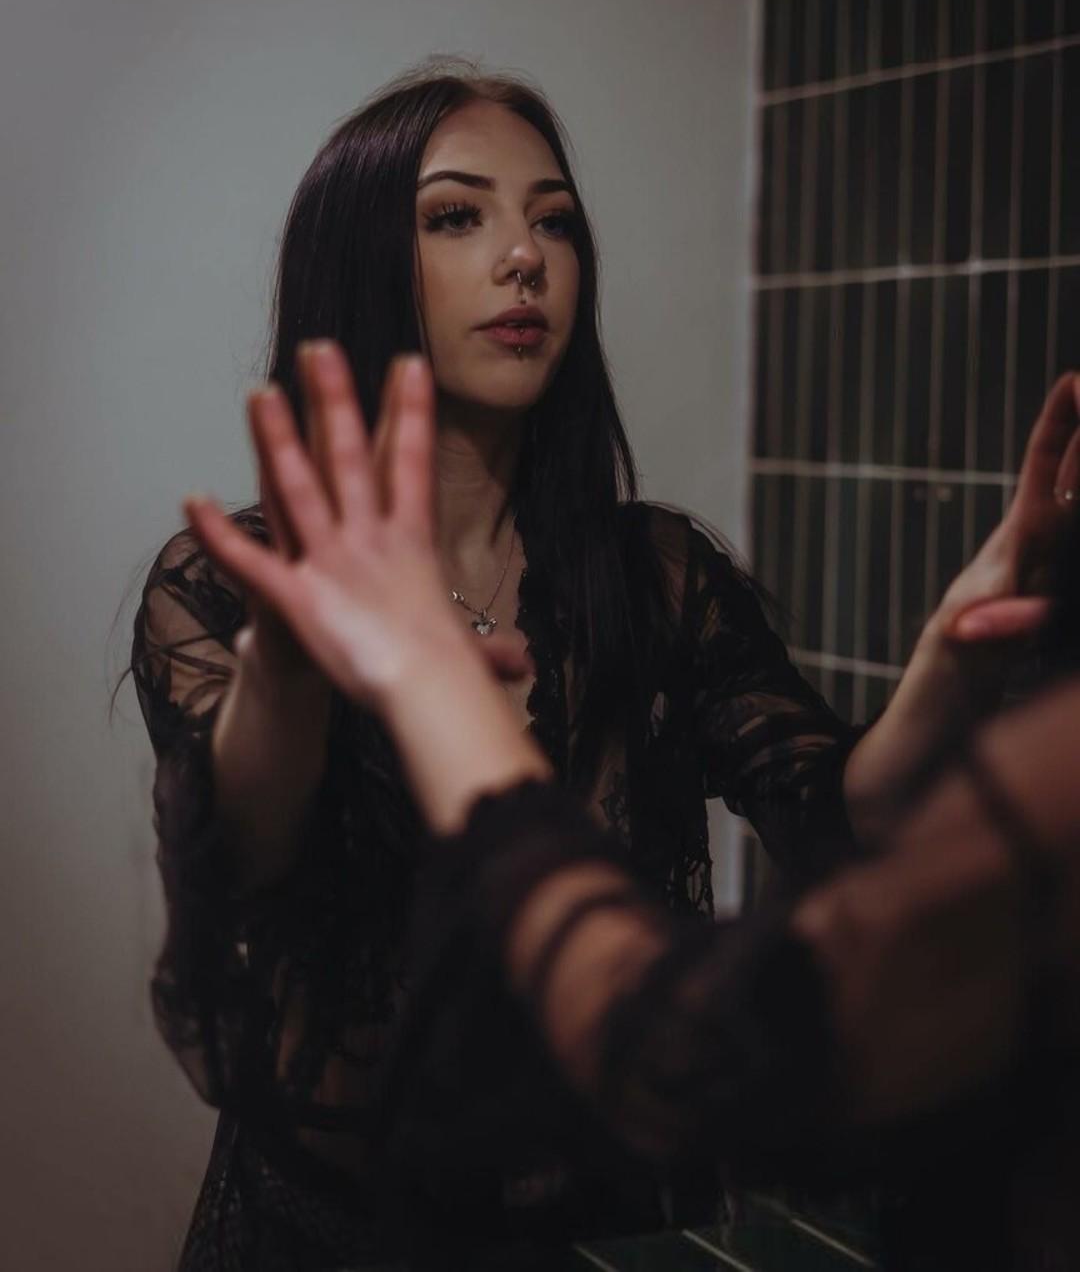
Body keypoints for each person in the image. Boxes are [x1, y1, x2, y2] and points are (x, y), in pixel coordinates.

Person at [132, 62, 1076, 1267]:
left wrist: (951, 652)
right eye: (456, 215)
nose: (524, 257)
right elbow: (239, 848)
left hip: (609, 1234)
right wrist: (290, 661)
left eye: (556, 222)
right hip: (325, 1233)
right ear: (357, 263)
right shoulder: (224, 582)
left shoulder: (656, 573)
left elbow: (839, 811)